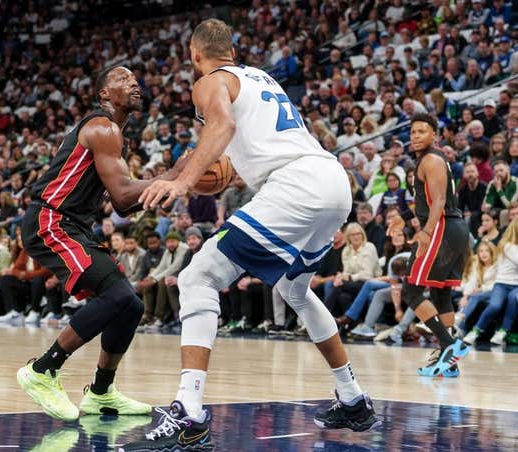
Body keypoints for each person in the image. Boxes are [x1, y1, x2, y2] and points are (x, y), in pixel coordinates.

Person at [122, 19, 380, 451]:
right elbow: (222, 153)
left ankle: (189, 412)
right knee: (296, 291)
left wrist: (182, 185)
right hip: (333, 183)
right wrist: (169, 176)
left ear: (194, 53)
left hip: (295, 185)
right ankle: (353, 397)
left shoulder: (208, 83)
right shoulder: (259, 79)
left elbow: (219, 129)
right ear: (233, 51)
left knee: (196, 277)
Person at [17, 66, 186, 422]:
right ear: (104, 95)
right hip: (52, 220)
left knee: (131, 307)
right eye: (123, 79)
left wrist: (171, 182)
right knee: (118, 296)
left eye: (136, 79)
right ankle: (42, 370)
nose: (135, 83)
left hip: (72, 225)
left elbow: (124, 202)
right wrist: (173, 176)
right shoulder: (103, 128)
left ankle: (101, 392)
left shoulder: (114, 133)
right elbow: (124, 195)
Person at [401, 114, 470, 378]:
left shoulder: (431, 159)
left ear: (435, 136)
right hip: (453, 229)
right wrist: (407, 223)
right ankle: (449, 362)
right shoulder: (431, 160)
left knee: (410, 290)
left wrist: (425, 233)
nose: (416, 135)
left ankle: (450, 346)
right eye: (413, 131)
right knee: (440, 293)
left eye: (422, 131)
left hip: (442, 227)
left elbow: (439, 201)